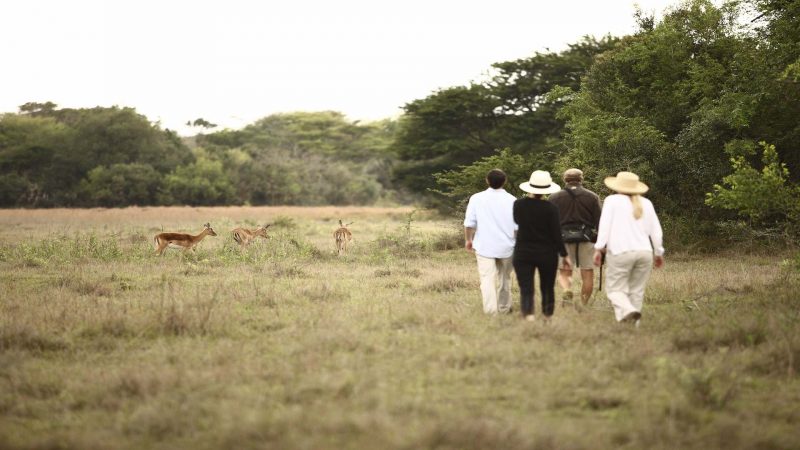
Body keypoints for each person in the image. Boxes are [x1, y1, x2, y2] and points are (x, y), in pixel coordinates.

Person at [593, 171, 664, 324]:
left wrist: (599, 248)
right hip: (645, 252)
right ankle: (631, 325)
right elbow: (656, 231)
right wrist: (658, 253)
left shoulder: (612, 200)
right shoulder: (647, 203)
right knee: (636, 292)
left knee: (614, 290)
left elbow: (604, 227)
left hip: (620, 252)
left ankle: (627, 310)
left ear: (618, 186)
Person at [513, 170, 572, 322]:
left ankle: (528, 314)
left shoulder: (518, 205)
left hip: (523, 252)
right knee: (547, 286)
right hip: (547, 253)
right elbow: (556, 234)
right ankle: (547, 315)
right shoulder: (551, 208)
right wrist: (564, 255)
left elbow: (517, 222)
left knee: (526, 287)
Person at [464, 169, 518, 314]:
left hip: (484, 246)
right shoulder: (512, 200)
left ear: (487, 180)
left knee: (487, 279)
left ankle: (490, 311)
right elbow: (516, 227)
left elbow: (469, 223)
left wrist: (468, 240)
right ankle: (504, 308)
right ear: (504, 181)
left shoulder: (476, 198)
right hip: (507, 246)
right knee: (505, 279)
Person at [548, 168, 602, 306]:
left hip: (563, 239)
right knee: (587, 272)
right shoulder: (592, 196)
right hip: (586, 238)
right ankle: (584, 304)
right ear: (581, 179)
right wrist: (601, 243)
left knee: (565, 271)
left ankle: (567, 290)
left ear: (565, 179)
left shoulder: (554, 197)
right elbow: (599, 222)